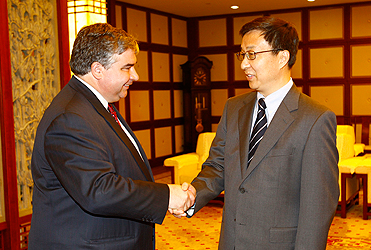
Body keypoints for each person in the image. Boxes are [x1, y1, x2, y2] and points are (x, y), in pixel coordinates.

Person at [28, 23, 195, 250]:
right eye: (127, 67)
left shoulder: (95, 106)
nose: (135, 76)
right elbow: (98, 189)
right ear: (97, 69)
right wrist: (166, 196)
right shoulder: (70, 117)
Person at [187, 16, 339, 250]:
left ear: (282, 57)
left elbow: (317, 207)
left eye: (252, 54)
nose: (243, 64)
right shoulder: (234, 108)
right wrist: (191, 196)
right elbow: (218, 166)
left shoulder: (315, 119)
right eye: (242, 55)